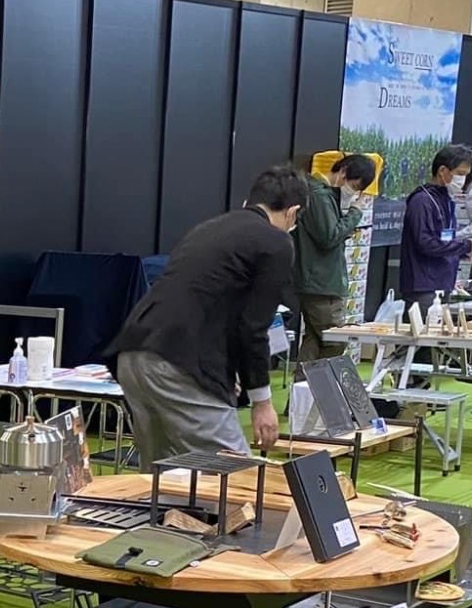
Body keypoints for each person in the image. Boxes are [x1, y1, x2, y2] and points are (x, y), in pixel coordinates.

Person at [104, 164, 306, 462]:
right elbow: (253, 327)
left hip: (133, 354)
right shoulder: (275, 242)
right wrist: (262, 403)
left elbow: (213, 306)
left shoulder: (209, 228)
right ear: (292, 213)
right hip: (176, 363)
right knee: (235, 475)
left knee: (164, 477)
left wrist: (223, 371)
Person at [292, 154, 378, 363]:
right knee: (335, 340)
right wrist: (355, 213)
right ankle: (319, 383)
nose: (353, 192)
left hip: (317, 280)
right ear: (343, 172)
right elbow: (329, 237)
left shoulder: (320, 194)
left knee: (315, 338)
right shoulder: (320, 196)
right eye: (354, 186)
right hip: (322, 283)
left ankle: (303, 384)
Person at [401, 144, 472, 314]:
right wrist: (466, 245)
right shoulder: (422, 201)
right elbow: (426, 243)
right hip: (423, 285)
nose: (463, 180)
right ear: (442, 170)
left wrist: (467, 251)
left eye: (466, 175)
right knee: (423, 329)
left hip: (443, 281)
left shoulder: (447, 200)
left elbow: (445, 240)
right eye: (460, 174)